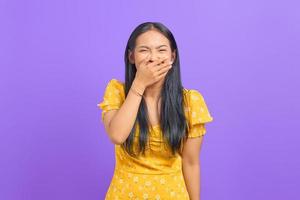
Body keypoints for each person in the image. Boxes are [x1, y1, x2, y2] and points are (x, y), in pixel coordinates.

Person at [97, 22, 213, 200]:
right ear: (131, 57)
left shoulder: (191, 101)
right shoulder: (117, 92)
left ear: (172, 56)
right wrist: (139, 84)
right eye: (144, 50)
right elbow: (117, 135)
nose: (153, 57)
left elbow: (190, 163)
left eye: (161, 50)